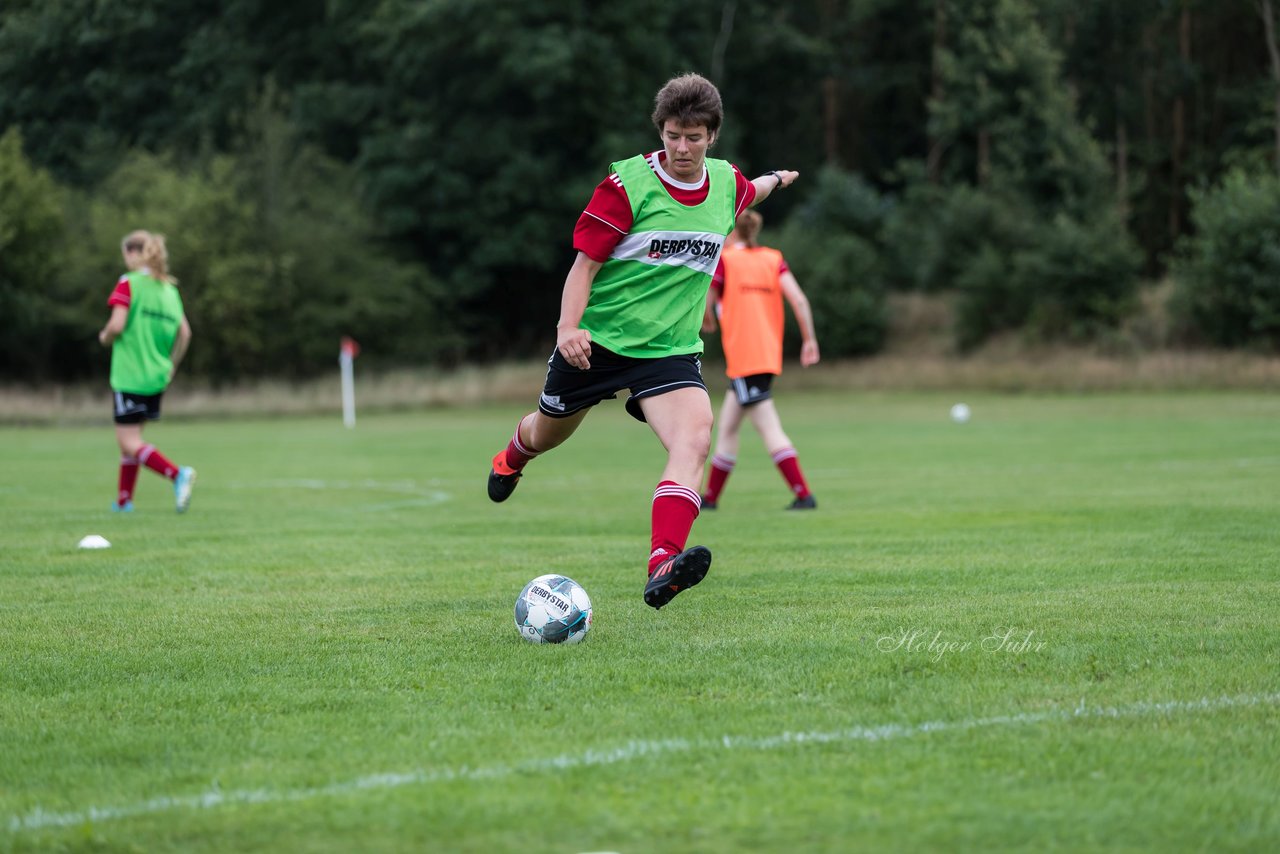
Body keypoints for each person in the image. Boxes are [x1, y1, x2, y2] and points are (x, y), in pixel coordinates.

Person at [485, 73, 798, 609]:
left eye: (694, 137)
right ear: (661, 131)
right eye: (673, 135)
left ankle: (663, 563)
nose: (681, 148)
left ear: (712, 137)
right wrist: (567, 330)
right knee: (546, 434)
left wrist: (777, 177)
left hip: (669, 352)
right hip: (598, 344)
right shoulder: (626, 186)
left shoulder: (727, 185)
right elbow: (584, 267)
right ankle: (512, 456)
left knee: (694, 441)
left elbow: (754, 188)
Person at [700, 209, 819, 511]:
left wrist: (709, 320)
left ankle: (804, 495)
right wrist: (809, 340)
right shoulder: (772, 258)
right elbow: (800, 300)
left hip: (745, 357)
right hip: (765, 354)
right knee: (726, 428)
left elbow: (706, 303)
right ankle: (710, 499)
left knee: (769, 428)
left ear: (731, 232)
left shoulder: (726, 260)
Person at [98, 230, 197, 513]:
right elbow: (186, 333)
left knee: (129, 441)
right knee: (131, 441)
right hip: (157, 377)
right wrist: (171, 366)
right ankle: (124, 502)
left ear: (132, 252)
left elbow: (116, 326)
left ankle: (178, 474)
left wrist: (104, 335)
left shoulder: (129, 283)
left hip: (130, 374)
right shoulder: (170, 290)